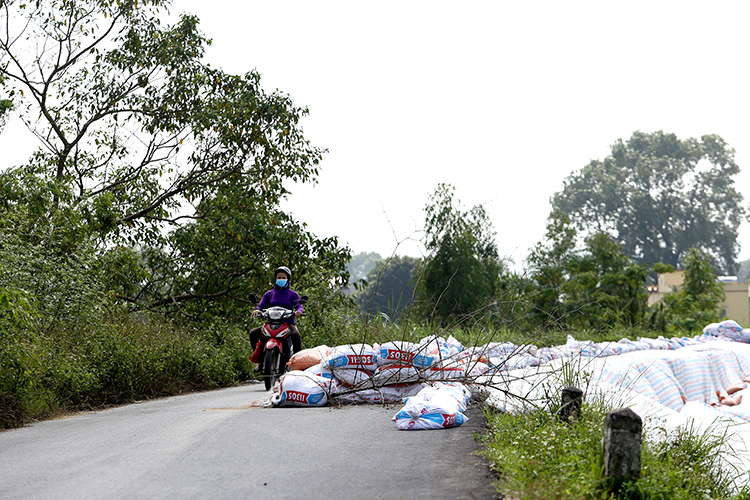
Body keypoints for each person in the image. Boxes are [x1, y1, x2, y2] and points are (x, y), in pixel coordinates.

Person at [249, 266, 304, 370]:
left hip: (287, 323)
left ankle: (298, 364)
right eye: (279, 277)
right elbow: (261, 305)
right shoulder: (269, 294)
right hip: (271, 323)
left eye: (284, 277)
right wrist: (257, 309)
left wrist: (299, 311)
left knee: (296, 335)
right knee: (253, 333)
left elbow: (299, 306)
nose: (281, 279)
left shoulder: (293, 294)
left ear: (288, 279)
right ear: (275, 279)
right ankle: (260, 361)